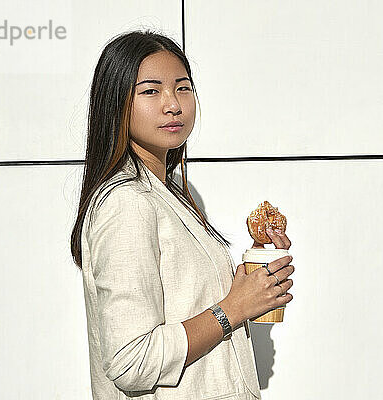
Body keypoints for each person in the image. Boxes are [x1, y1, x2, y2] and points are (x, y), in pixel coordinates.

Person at [70, 30, 295, 400]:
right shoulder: (127, 202)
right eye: (151, 91)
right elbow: (132, 362)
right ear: (116, 103)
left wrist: (254, 273)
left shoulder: (169, 193)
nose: (172, 104)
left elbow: (187, 304)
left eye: (182, 87)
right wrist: (233, 309)